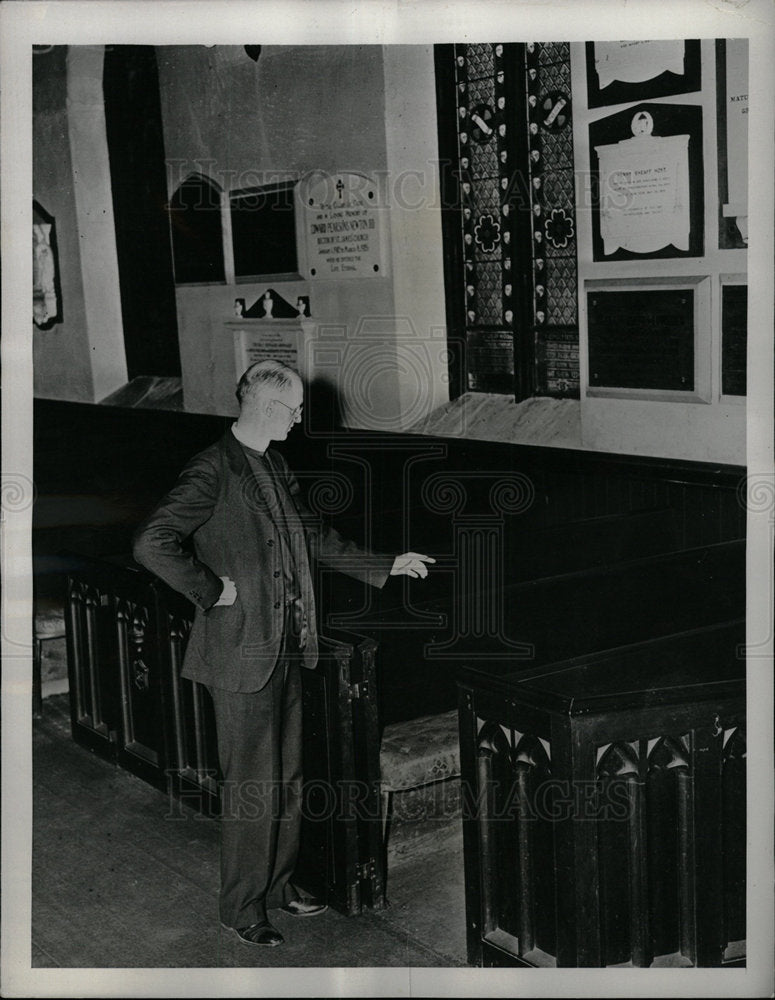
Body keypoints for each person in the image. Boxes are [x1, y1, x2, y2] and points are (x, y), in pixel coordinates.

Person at [132, 359, 434, 947]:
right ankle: (242, 905)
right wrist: (212, 590)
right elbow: (151, 542)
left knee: (288, 778)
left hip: (290, 646)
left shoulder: (273, 462)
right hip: (241, 649)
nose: (299, 420)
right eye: (294, 410)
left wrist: (382, 563)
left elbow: (311, 536)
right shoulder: (212, 468)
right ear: (267, 407)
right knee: (250, 783)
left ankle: (278, 885)